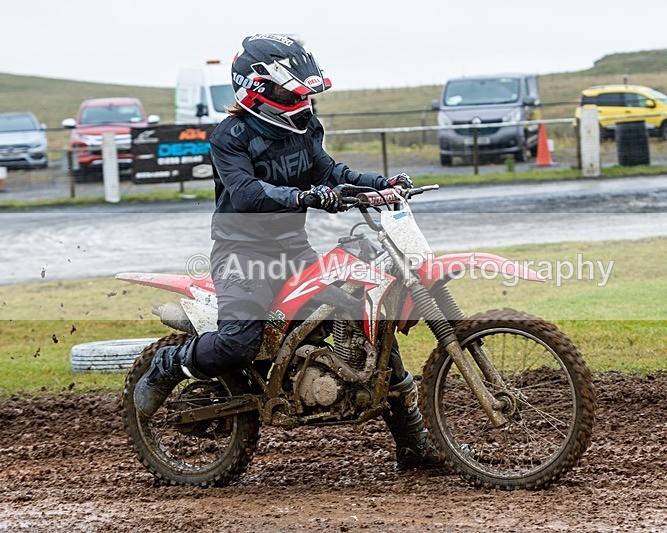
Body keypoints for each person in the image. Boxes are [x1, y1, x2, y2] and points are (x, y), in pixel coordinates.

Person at [134, 34, 439, 470]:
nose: (298, 99)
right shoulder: (230, 136)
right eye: (287, 91)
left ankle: (414, 444)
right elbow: (246, 192)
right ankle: (171, 362)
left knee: (365, 318)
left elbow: (329, 170)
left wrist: (380, 183)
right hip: (242, 254)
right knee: (239, 343)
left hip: (293, 249)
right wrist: (303, 197)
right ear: (257, 88)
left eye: (301, 92)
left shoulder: (305, 125)